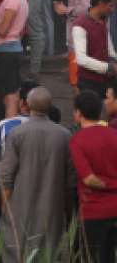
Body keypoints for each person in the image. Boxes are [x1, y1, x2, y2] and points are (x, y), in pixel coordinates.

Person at [0, 86, 72, 262]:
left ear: (27, 104)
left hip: (20, 206)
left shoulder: (17, 133)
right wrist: (68, 209)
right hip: (53, 206)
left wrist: (5, 208)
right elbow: (70, 179)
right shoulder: (64, 135)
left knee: (18, 251)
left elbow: (6, 177)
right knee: (49, 251)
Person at [70, 90, 117, 263]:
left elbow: (88, 179)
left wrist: (109, 185)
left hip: (94, 211)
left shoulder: (77, 140)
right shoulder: (114, 134)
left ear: (78, 113)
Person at [58, 0, 98, 90]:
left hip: (80, 38)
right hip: (77, 37)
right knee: (77, 81)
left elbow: (87, 8)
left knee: (78, 83)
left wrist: (65, 10)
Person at [71, 0, 117, 97]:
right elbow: (81, 59)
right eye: (110, 5)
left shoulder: (104, 20)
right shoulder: (80, 25)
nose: (113, 10)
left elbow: (110, 50)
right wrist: (109, 68)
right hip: (89, 83)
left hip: (106, 80)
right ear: (100, 4)